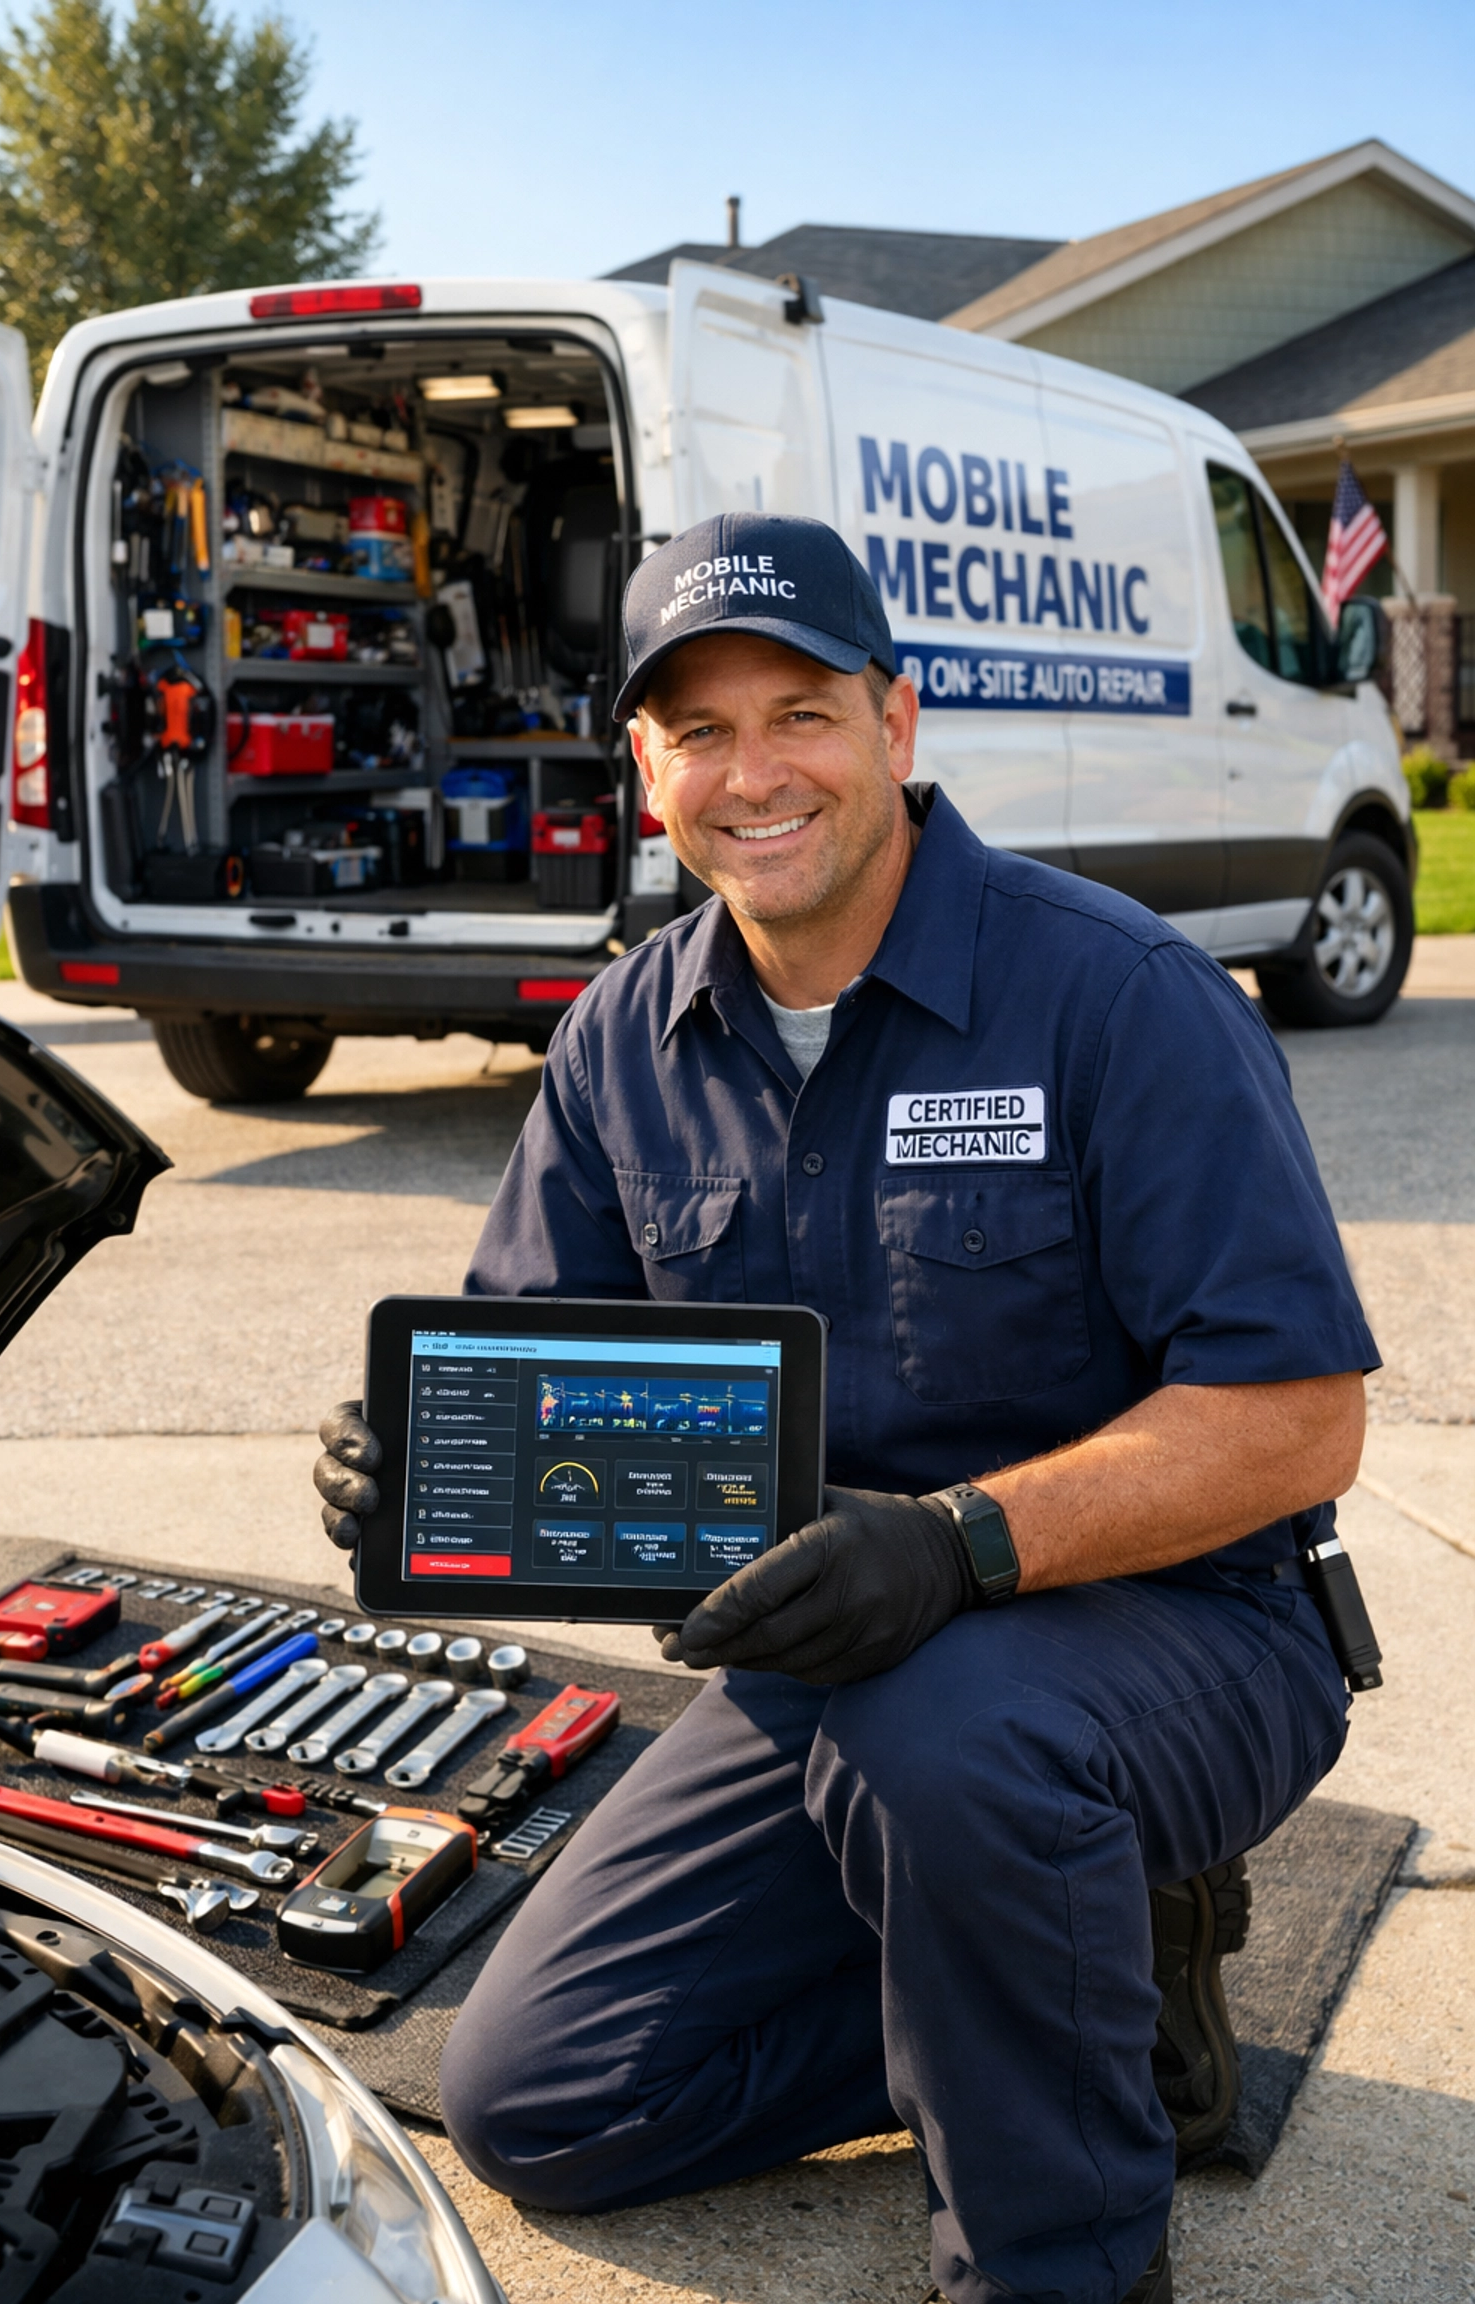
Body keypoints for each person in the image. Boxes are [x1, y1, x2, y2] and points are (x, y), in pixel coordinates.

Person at [315, 514, 1376, 2304]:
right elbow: (535, 1363)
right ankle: (1076, 1972)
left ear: (897, 720)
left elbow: (1295, 1422)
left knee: (951, 1732)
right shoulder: (621, 1038)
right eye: (699, 733)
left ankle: (1061, 2260)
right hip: (833, 1665)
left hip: (1192, 1632)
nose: (755, 775)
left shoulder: (1117, 998)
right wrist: (417, 1461)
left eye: (799, 712)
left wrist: (962, 1545)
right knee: (544, 2099)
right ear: (644, 769)